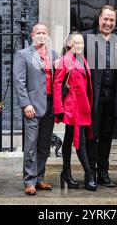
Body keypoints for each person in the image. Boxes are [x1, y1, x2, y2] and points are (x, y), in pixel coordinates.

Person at [83, 5, 117, 187]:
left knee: (107, 135)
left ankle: (103, 172)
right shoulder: (86, 38)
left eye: (112, 20)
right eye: (105, 19)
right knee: (92, 135)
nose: (108, 23)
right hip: (92, 97)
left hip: (112, 98)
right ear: (99, 18)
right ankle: (90, 172)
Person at [13, 23, 58, 195]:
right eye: (38, 33)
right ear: (32, 36)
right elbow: (19, 82)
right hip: (32, 106)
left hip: (50, 105)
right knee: (31, 145)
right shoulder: (23, 54)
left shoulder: (53, 55)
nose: (41, 35)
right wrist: (26, 104)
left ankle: (39, 178)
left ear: (48, 36)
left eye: (44, 33)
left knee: (44, 146)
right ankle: (29, 181)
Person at [53, 32, 96, 191]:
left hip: (83, 106)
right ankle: (89, 174)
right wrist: (59, 109)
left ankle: (66, 173)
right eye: (76, 43)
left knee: (69, 139)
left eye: (81, 43)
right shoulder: (65, 60)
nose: (79, 45)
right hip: (73, 108)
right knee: (80, 140)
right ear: (69, 44)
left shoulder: (82, 59)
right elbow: (57, 84)